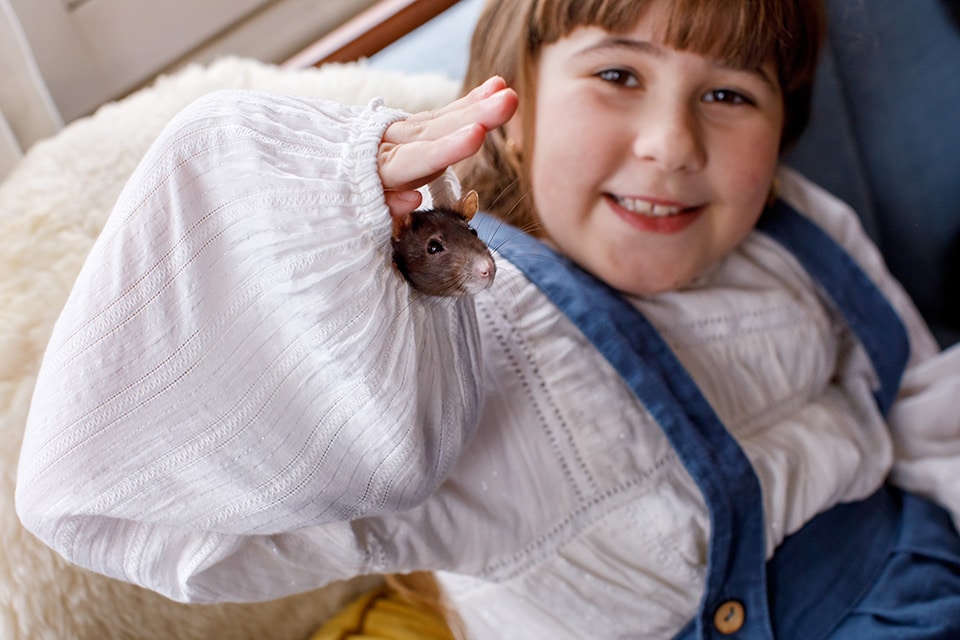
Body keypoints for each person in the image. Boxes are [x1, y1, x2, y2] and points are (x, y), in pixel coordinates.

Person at [16, 0, 960, 638]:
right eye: (619, 76)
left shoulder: (797, 230)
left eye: (730, 94)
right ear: (510, 108)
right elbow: (110, 500)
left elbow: (917, 395)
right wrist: (323, 232)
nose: (673, 145)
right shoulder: (456, 336)